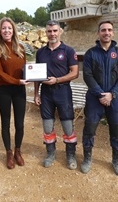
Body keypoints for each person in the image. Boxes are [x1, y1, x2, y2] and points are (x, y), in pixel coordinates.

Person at [81, 20, 118, 176]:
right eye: (103, 30)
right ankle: (87, 158)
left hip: (114, 99)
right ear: (98, 33)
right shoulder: (90, 53)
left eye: (109, 30)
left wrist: (112, 94)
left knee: (116, 129)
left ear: (113, 32)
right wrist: (101, 94)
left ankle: (116, 160)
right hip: (95, 98)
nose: (106, 33)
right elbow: (87, 76)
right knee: (89, 129)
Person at [34, 20, 79, 170]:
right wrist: (36, 94)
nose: (52, 34)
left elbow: (75, 73)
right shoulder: (40, 52)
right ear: (45, 33)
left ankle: (71, 155)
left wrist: (57, 80)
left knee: (67, 125)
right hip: (46, 93)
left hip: (63, 91)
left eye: (55, 31)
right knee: (47, 125)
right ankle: (50, 153)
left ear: (60, 32)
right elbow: (36, 75)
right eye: (49, 31)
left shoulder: (68, 51)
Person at [0, 17, 29, 169]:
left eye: (9, 28)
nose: (7, 31)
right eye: (4, 28)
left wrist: (28, 76)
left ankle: (18, 151)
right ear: (0, 31)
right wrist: (17, 81)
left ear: (14, 30)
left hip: (19, 90)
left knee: (19, 123)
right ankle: (8, 152)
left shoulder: (20, 48)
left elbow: (25, 67)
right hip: (4, 89)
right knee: (5, 122)